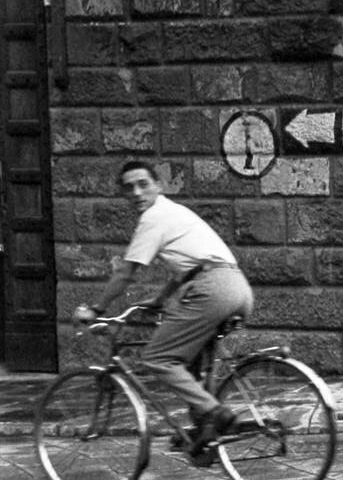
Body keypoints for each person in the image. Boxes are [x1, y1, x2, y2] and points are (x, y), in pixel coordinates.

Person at [73, 161, 254, 463]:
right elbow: (186, 268)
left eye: (143, 183)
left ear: (158, 185)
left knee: (158, 358)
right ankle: (204, 431)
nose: (136, 192)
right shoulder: (175, 212)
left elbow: (127, 273)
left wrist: (96, 309)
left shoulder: (154, 217)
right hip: (236, 288)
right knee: (192, 362)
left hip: (212, 289)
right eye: (129, 187)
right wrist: (160, 299)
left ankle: (217, 414)